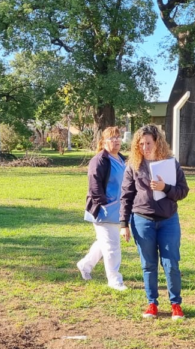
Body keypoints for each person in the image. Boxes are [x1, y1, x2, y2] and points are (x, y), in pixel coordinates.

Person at [119, 124, 189, 319]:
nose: (145, 147)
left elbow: (183, 191)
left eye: (148, 143)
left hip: (168, 221)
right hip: (142, 221)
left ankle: (176, 304)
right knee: (148, 264)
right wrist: (124, 224)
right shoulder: (133, 165)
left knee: (171, 263)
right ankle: (152, 304)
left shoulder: (170, 163)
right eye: (141, 144)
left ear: (157, 142)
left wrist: (165, 187)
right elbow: (126, 195)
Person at [77, 126, 128, 291]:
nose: (116, 141)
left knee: (105, 242)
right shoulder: (99, 160)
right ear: (103, 142)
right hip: (105, 210)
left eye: (118, 137)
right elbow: (94, 185)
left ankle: (85, 265)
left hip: (118, 210)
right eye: (111, 138)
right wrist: (105, 203)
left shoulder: (121, 159)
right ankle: (114, 280)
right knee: (112, 246)